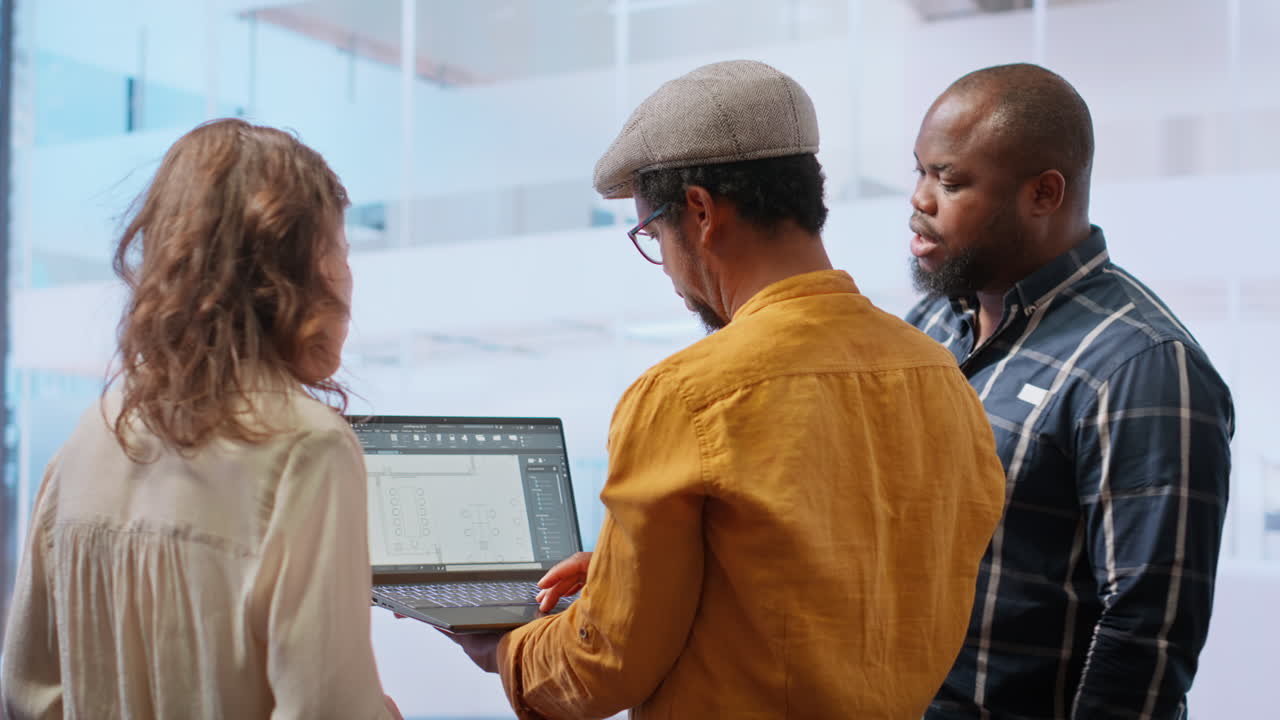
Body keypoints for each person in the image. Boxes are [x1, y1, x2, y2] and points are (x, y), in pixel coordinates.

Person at [445, 59, 1006, 719]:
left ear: (701, 213)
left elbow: (603, 669)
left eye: (652, 233)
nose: (668, 272)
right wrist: (632, 570)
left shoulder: (686, 395)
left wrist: (502, 646)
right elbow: (839, 581)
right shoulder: (941, 376)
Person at [1, 119, 402, 720]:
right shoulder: (305, 448)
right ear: (295, 274)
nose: (348, 277)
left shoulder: (93, 433)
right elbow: (326, 708)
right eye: (339, 250)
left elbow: (26, 695)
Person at [905, 63, 1234, 719]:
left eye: (950, 180)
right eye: (919, 170)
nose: (919, 198)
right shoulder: (935, 323)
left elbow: (1145, 635)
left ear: (1044, 194)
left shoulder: (1142, 364)